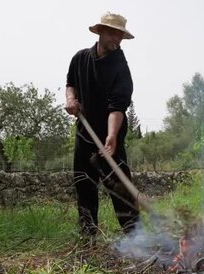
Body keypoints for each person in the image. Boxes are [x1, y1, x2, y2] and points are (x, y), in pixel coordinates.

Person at [65, 12, 139, 239]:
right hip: (85, 135)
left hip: (110, 138)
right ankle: (88, 237)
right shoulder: (80, 58)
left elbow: (117, 107)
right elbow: (70, 84)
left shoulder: (120, 67)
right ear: (100, 32)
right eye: (113, 34)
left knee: (120, 187)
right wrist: (71, 100)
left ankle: (136, 239)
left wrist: (112, 135)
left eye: (120, 36)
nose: (116, 40)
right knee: (84, 185)